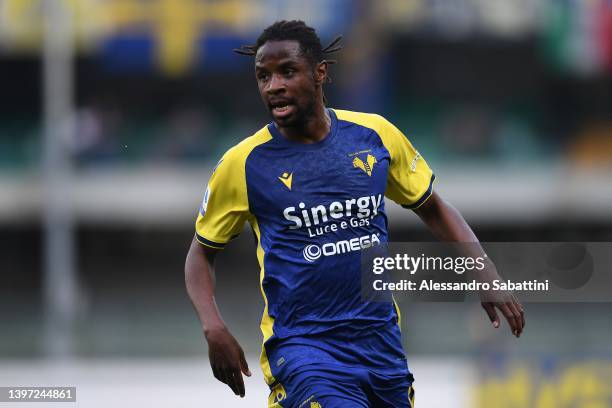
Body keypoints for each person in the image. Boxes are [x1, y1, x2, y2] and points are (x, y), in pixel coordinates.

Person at [185, 20, 525, 408]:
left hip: (380, 345)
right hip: (305, 350)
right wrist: (213, 327)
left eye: (287, 72)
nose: (273, 86)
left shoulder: (374, 136)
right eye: (263, 76)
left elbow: (435, 209)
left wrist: (485, 273)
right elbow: (200, 252)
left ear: (320, 73)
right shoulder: (244, 163)